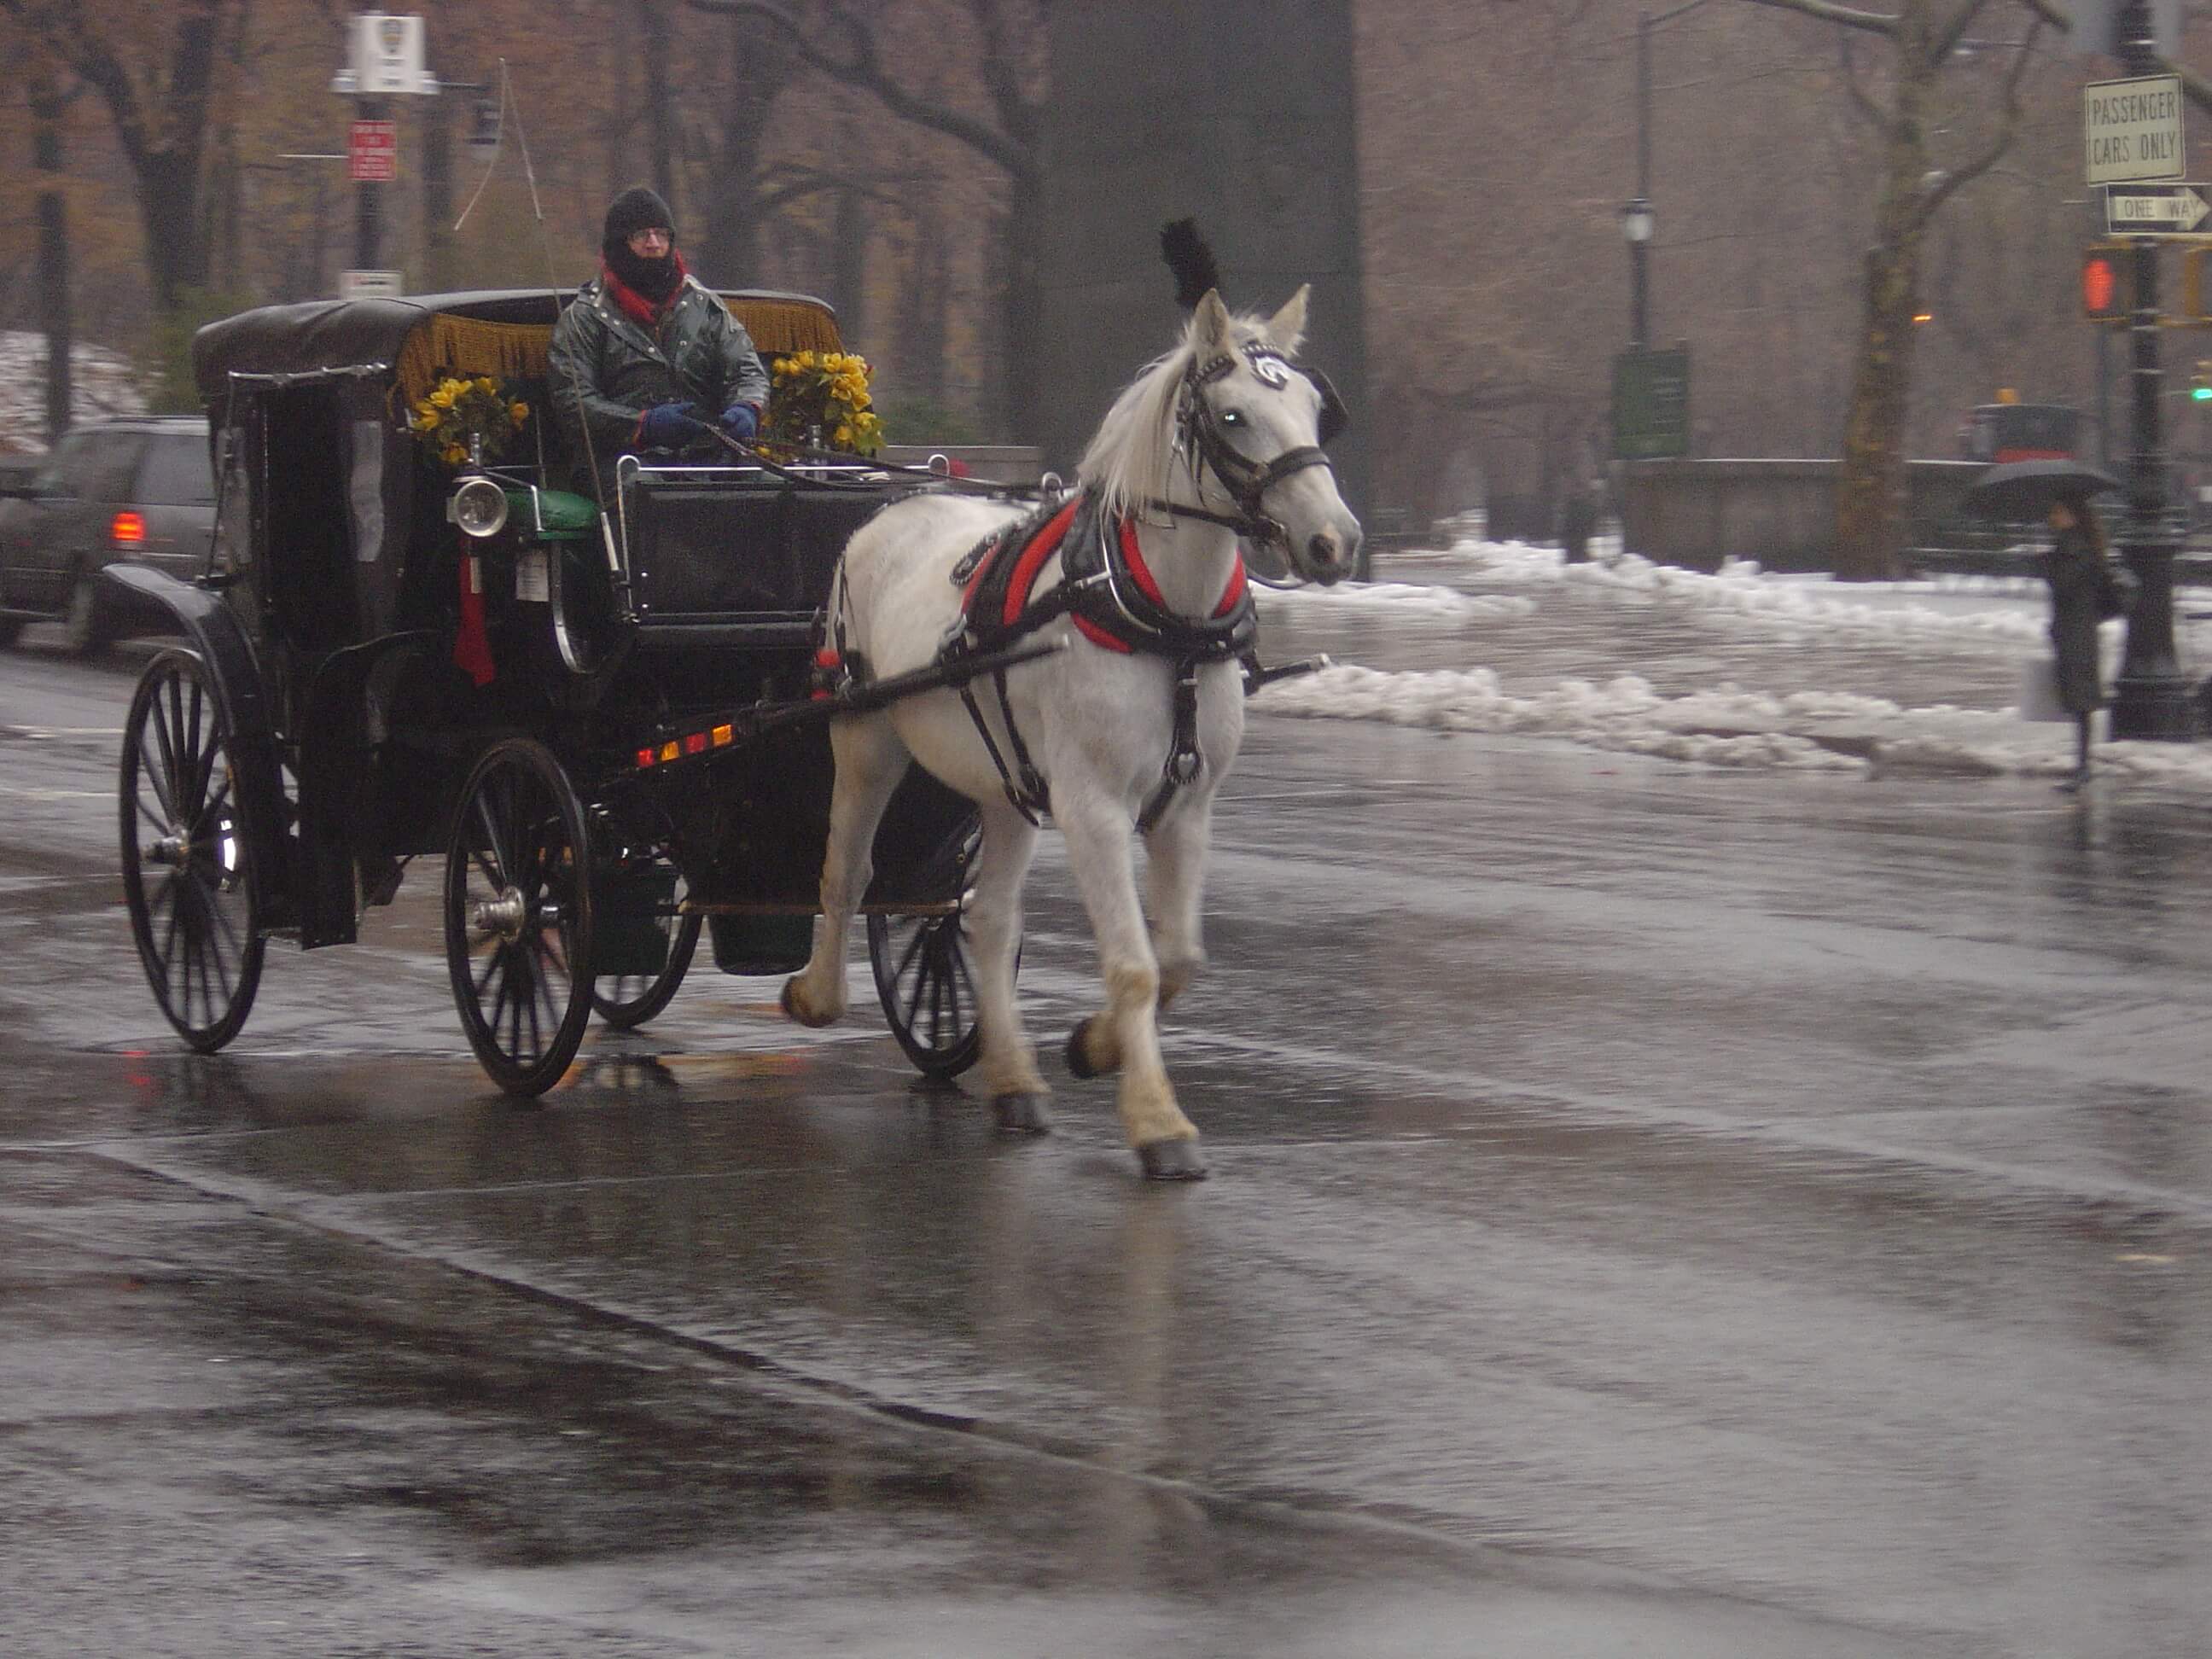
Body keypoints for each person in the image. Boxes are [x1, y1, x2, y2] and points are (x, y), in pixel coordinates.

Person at [545, 186, 769, 498]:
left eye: (661, 234)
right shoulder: (584, 318)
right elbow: (574, 404)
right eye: (641, 235)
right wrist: (643, 425)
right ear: (619, 245)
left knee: (769, 488)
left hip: (705, 455)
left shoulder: (705, 307)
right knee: (651, 496)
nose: (654, 243)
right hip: (620, 462)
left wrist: (746, 407)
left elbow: (747, 370)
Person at [2041, 494, 2131, 789]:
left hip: (2077, 634)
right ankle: (2081, 765)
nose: (2054, 517)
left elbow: (2064, 586)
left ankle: (2082, 767)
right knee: (2078, 699)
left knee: (2081, 700)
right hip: (2075, 631)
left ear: (2073, 516)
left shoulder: (2075, 548)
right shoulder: (2078, 547)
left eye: (2059, 511)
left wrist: (2048, 563)